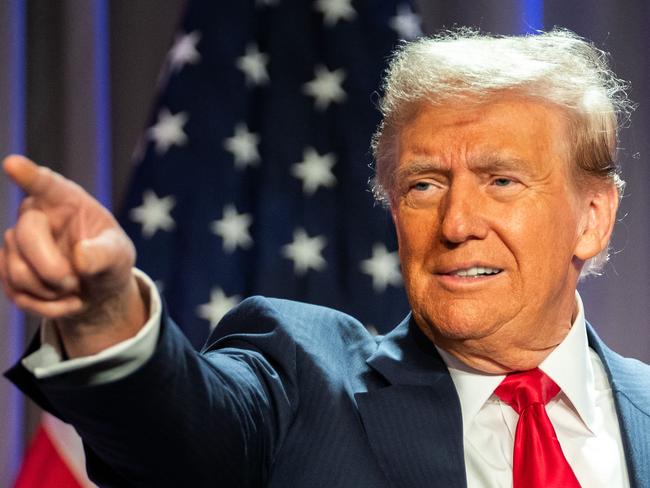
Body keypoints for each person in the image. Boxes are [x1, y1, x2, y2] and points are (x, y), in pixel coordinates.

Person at [3, 28, 650, 488]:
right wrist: (104, 310)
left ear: (592, 218)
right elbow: (179, 433)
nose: (455, 224)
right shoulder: (301, 384)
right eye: (423, 185)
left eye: (502, 181)